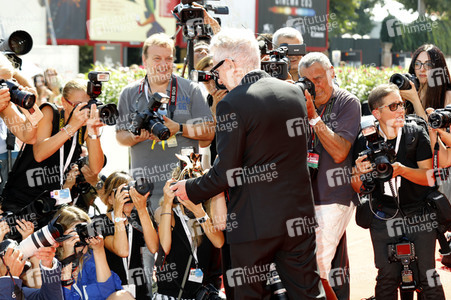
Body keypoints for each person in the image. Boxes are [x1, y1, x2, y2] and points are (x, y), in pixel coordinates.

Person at [171, 28, 325, 299]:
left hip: (254, 225)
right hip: (298, 218)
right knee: (308, 294)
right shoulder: (293, 94)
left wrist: (190, 188)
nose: (216, 78)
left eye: (217, 69)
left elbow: (226, 172)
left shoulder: (233, 102)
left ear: (230, 64)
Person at [351, 83, 446, 300]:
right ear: (377, 113)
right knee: (387, 278)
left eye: (402, 104)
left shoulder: (415, 133)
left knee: (428, 277)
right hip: (383, 214)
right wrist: (358, 172)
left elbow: (429, 176)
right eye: (393, 106)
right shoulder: (365, 139)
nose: (401, 110)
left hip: (419, 213)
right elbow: (357, 187)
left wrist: (402, 171)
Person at [115, 32, 214, 209]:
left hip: (184, 189)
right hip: (144, 191)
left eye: (168, 59)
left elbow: (209, 133)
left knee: (186, 236)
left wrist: (179, 128)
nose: (163, 64)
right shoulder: (130, 93)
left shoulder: (190, 89)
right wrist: (136, 137)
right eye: (157, 58)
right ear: (145, 61)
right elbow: (120, 136)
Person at [298, 52, 361, 299]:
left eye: (319, 78)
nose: (315, 85)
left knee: (318, 269)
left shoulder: (348, 102)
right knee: (303, 267)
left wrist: (313, 117)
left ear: (331, 72)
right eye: (308, 81)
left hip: (333, 197)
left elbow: (339, 152)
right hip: (301, 198)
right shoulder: (297, 102)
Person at [1, 79, 104, 214]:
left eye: (88, 106)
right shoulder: (49, 112)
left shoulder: (84, 126)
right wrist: (71, 127)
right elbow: (39, 154)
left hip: (53, 201)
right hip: (23, 199)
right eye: (79, 105)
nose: (84, 111)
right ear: (64, 102)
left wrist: (94, 132)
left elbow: (95, 168)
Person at [153, 178, 224, 300]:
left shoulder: (206, 213)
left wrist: (199, 212)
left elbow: (219, 242)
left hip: (199, 294)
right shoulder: (166, 211)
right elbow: (164, 247)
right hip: (170, 294)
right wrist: (167, 203)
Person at [94, 171, 159, 298]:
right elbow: (122, 250)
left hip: (140, 289)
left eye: (130, 190)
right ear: (110, 199)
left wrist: (142, 208)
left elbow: (153, 247)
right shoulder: (100, 222)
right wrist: (118, 213)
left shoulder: (141, 218)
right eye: (121, 192)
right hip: (111, 290)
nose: (127, 196)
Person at [56, 206, 125, 300]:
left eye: (84, 230)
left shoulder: (89, 258)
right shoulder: (51, 263)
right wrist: (68, 257)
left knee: (123, 296)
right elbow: (64, 297)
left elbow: (108, 292)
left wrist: (99, 251)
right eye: (75, 232)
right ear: (61, 237)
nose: (82, 237)